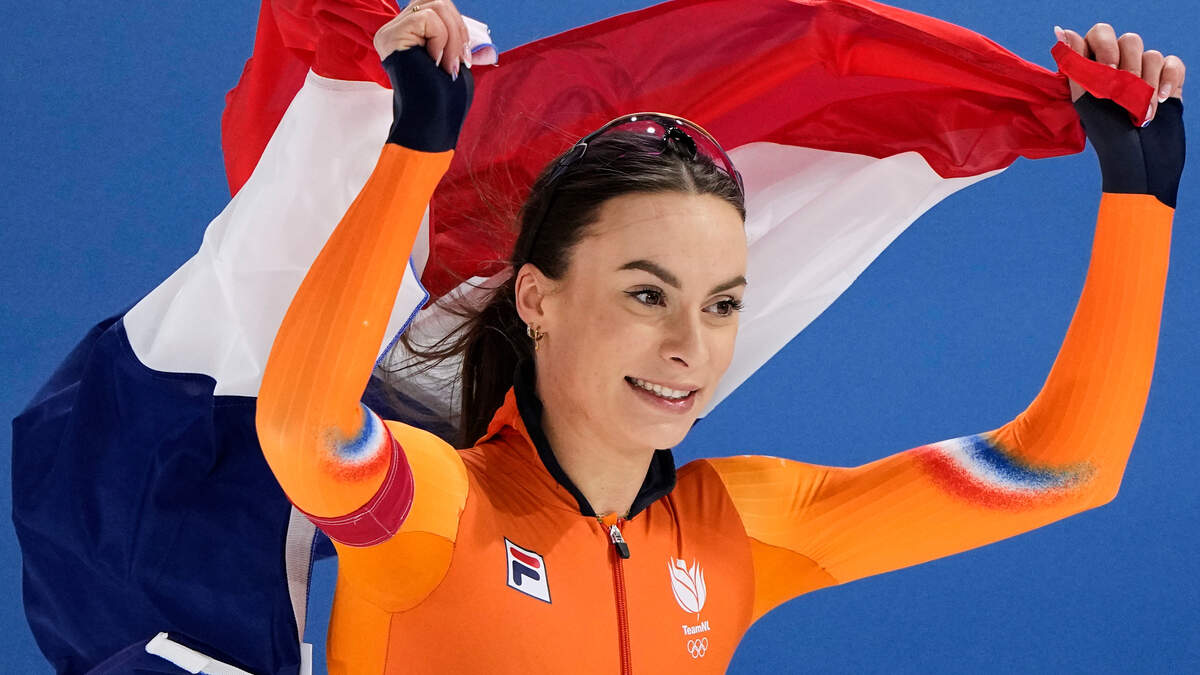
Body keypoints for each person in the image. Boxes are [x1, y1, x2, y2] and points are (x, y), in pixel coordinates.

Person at [253, 1, 1186, 672]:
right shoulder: (440, 509)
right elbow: (306, 432)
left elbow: (1064, 468)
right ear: (537, 297)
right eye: (646, 294)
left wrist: (1139, 197)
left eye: (722, 304)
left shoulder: (733, 529)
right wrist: (416, 150)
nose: (689, 347)